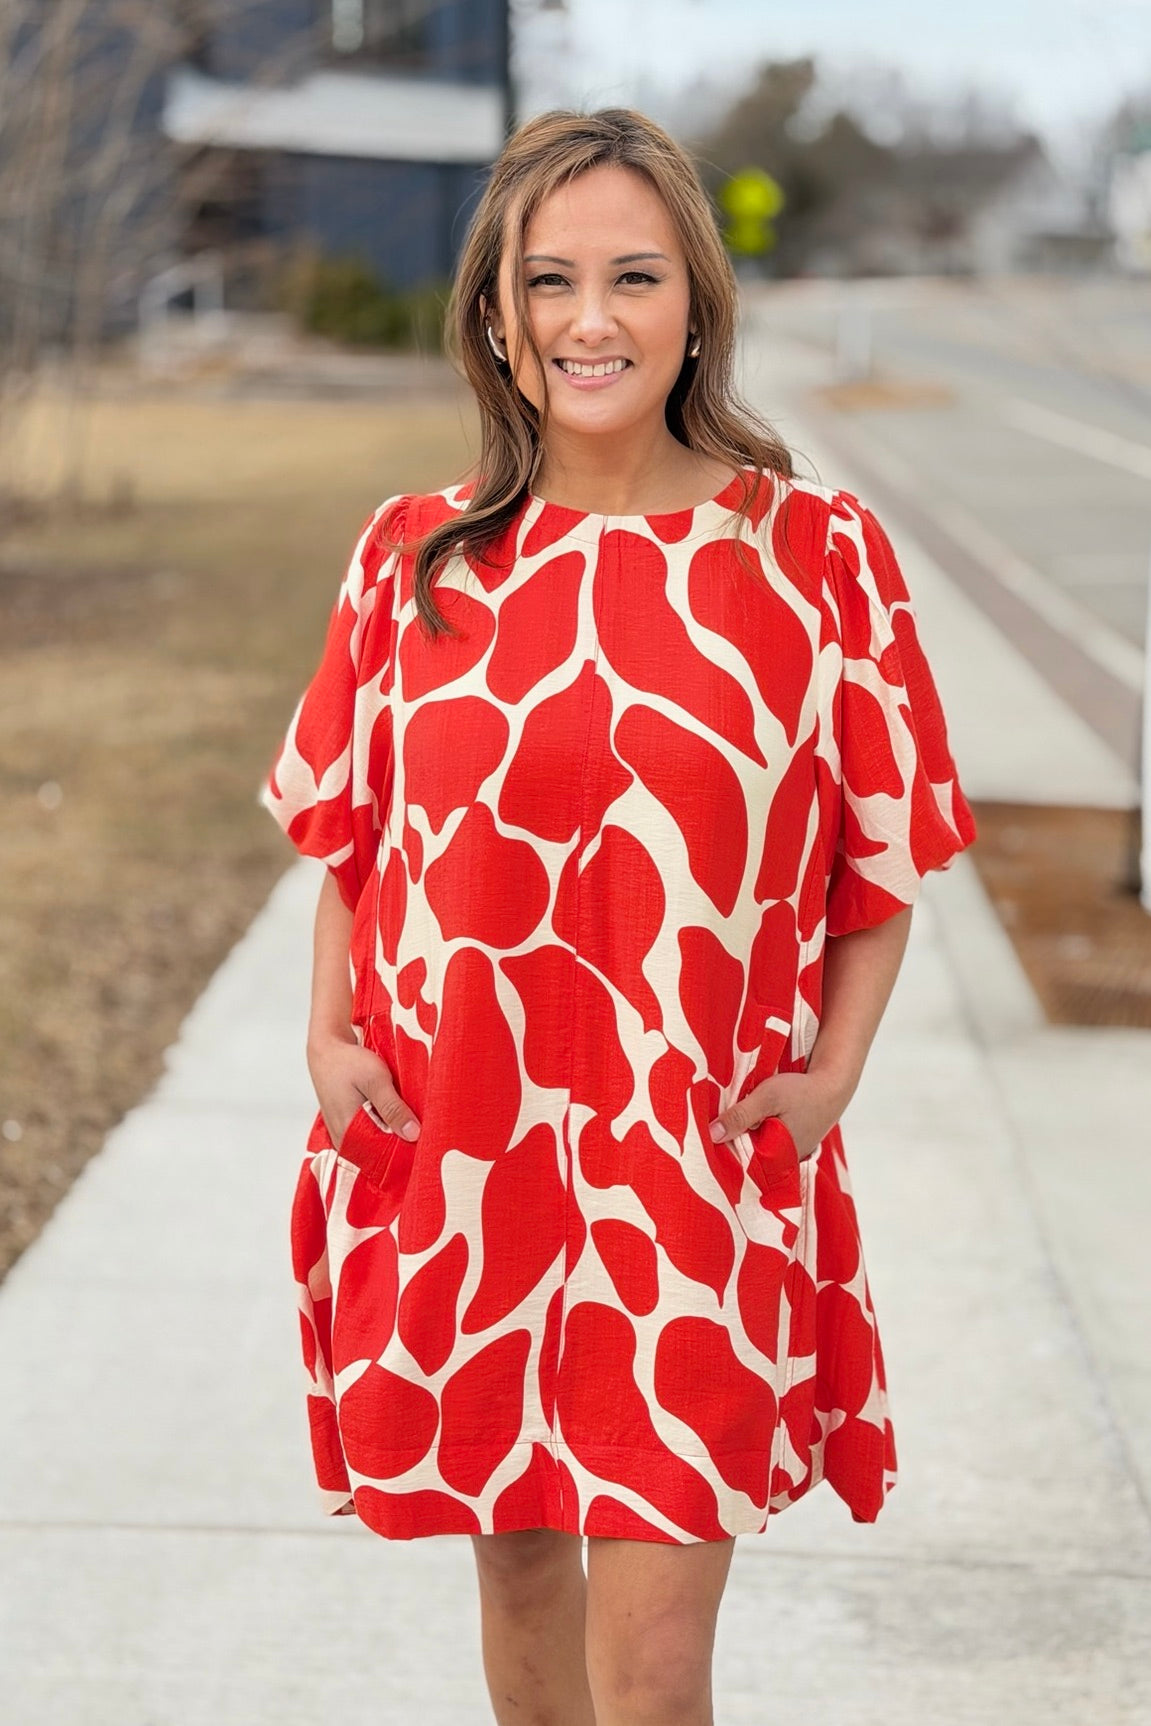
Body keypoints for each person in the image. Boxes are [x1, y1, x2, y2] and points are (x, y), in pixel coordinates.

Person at [260, 107, 975, 1726]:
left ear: (697, 305)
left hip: (691, 1180)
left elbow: (882, 855)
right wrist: (326, 1031)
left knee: (653, 1673)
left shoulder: (814, 559)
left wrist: (834, 1076)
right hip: (466, 1159)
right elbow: (356, 837)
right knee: (522, 1592)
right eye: (552, 280)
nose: (593, 320)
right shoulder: (414, 558)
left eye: (635, 277)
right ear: (496, 317)